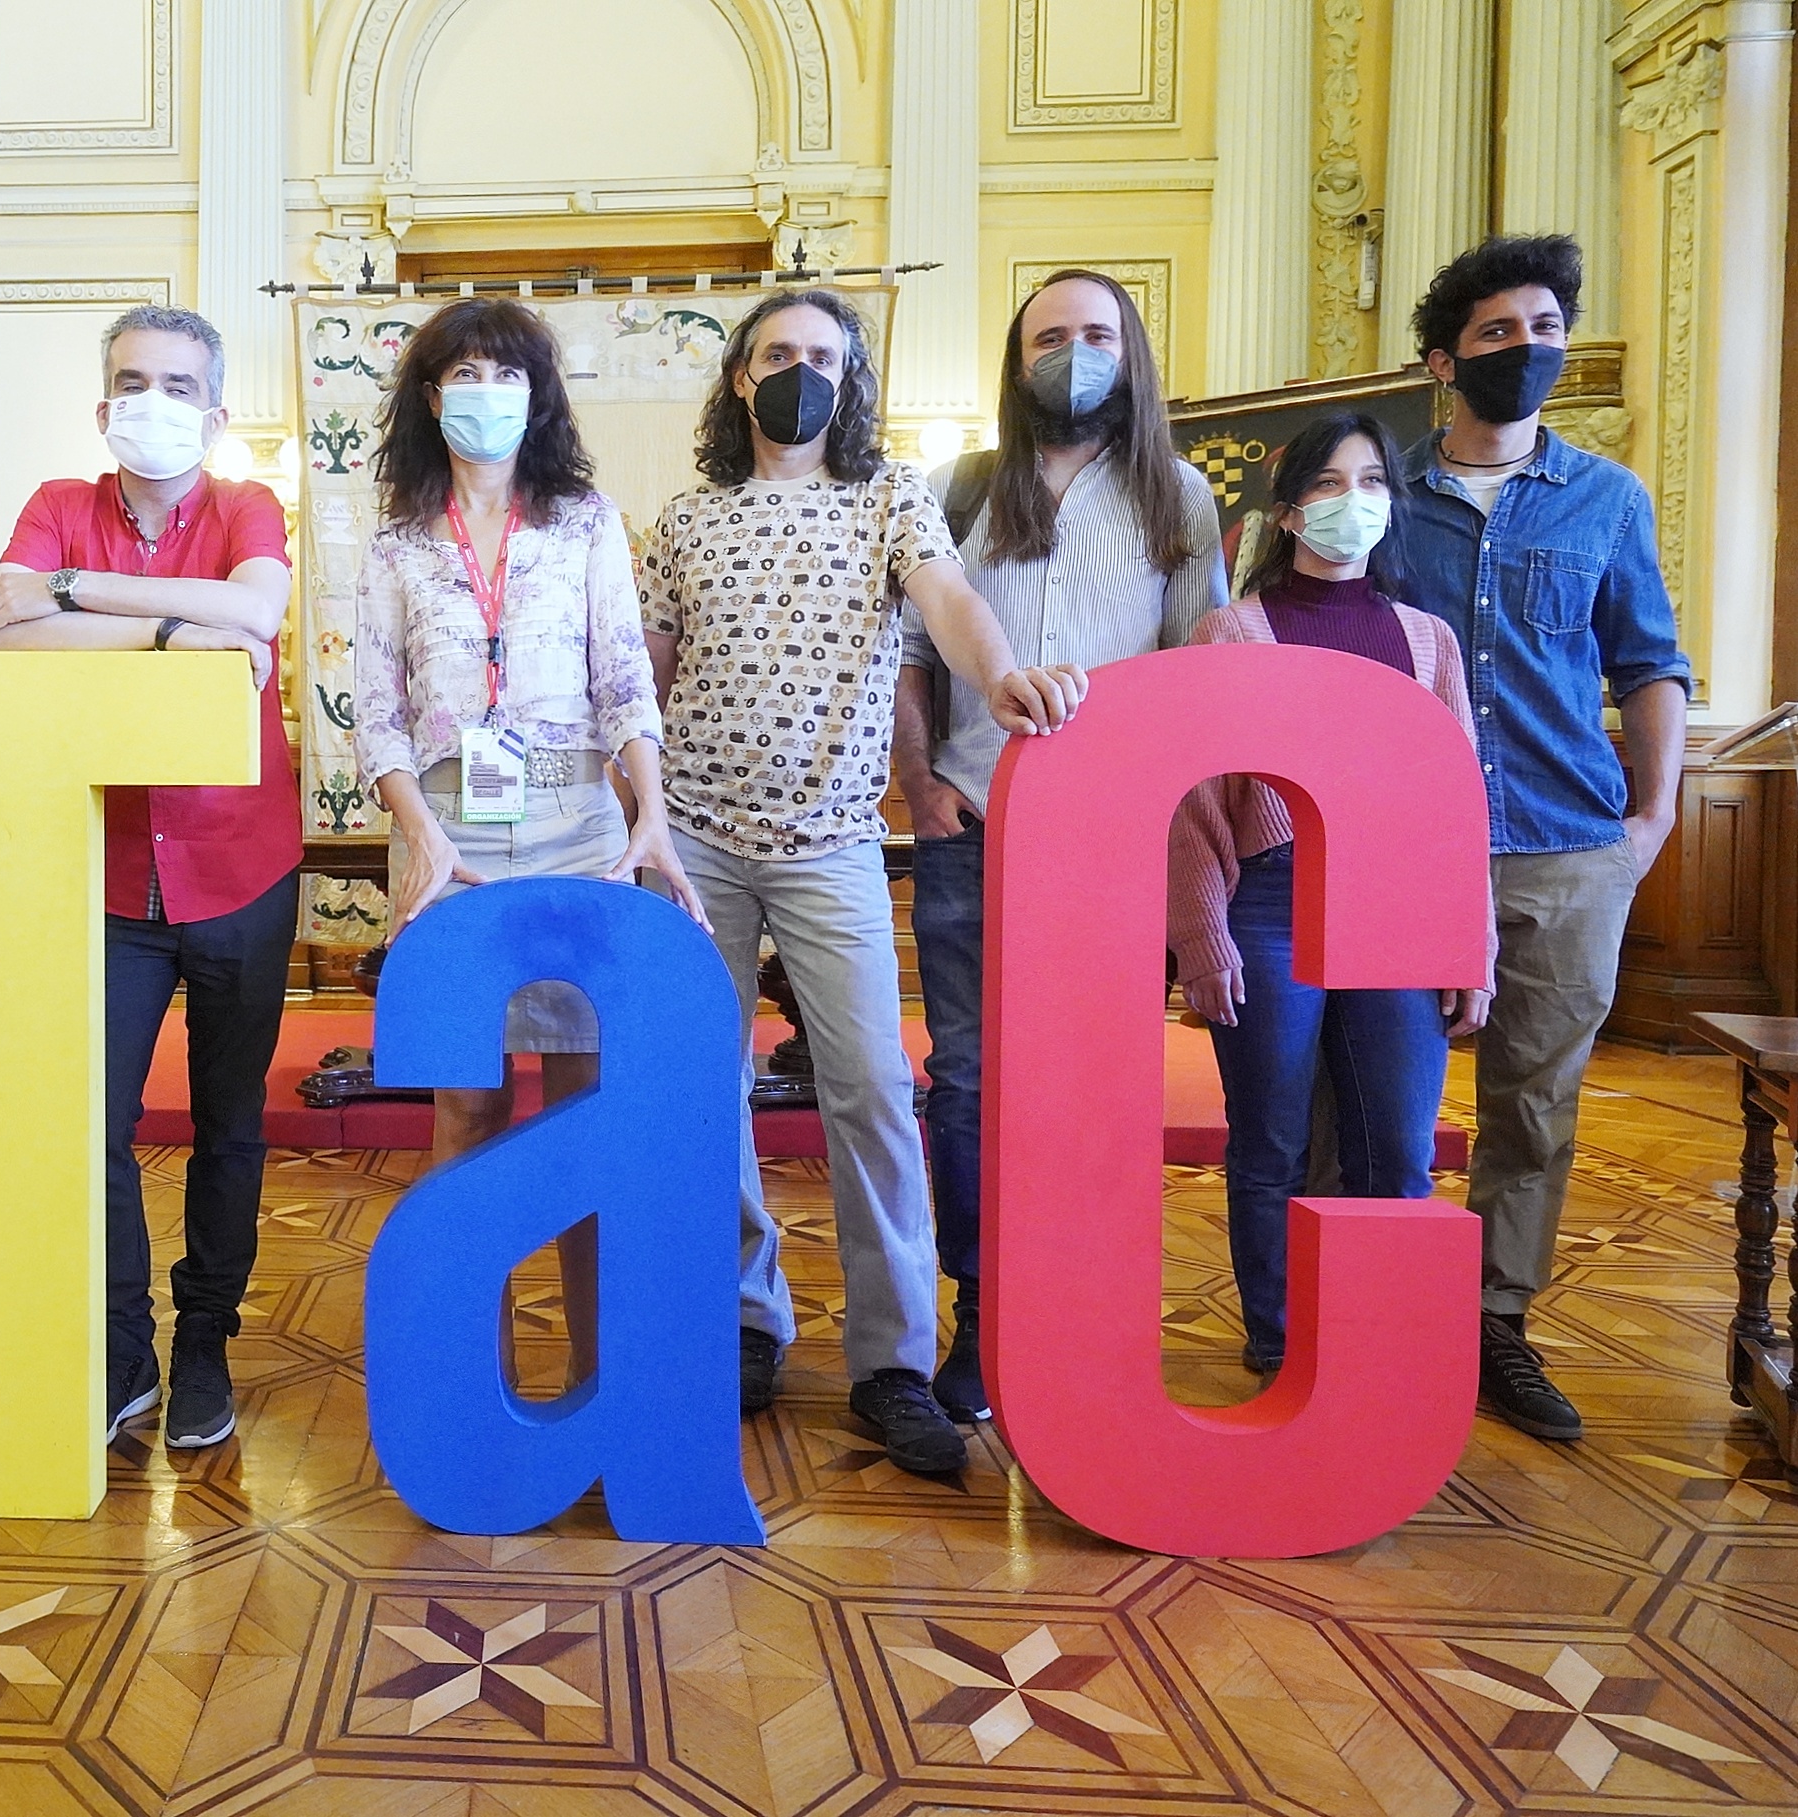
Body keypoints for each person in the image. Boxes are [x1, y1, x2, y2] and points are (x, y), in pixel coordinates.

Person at [640, 288, 1085, 1478]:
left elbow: (950, 602)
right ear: (742, 377)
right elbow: (650, 675)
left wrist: (999, 675)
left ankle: (891, 1358)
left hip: (832, 844)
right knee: (701, 1089)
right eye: (777, 353)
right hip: (695, 841)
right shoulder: (685, 518)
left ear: (849, 380)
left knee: (874, 1094)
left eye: (822, 357)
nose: (800, 371)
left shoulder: (889, 496)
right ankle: (743, 1317)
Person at [890, 269, 1226, 1425]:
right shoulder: (960, 486)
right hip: (973, 823)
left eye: (1094, 335)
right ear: (1016, 356)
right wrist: (919, 783)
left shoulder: (1178, 496)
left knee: (1096, 1079)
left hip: (1110, 845)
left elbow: (1192, 672)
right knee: (968, 1078)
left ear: (1128, 355)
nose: (1071, 355)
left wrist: (1172, 835)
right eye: (1049, 337)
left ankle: (1081, 1305)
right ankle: (981, 1312)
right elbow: (911, 655)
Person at [354, 297, 707, 1391]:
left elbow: (623, 677)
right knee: (467, 1106)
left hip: (577, 830)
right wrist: (418, 833)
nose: (486, 393)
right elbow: (376, 710)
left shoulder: (586, 520)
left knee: (584, 1106)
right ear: (430, 398)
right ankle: (476, 1384)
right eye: (463, 373)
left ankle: (601, 1380)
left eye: (506, 373)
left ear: (537, 394)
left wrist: (650, 814)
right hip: (447, 832)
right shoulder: (397, 542)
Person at [0, 305, 293, 1452]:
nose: (154, 401)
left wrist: (72, 593)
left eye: (179, 384)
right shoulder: (61, 500)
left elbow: (255, 610)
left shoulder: (246, 506)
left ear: (215, 410)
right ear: (104, 405)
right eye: (133, 382)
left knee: (229, 1122)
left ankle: (205, 1339)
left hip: (240, 861)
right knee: (91, 1122)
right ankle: (122, 1347)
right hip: (103, 873)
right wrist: (165, 635)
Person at [1395, 235, 1692, 1442]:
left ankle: (1494, 1324)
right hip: (1404, 851)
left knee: (1534, 1102)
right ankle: (1371, 1308)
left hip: (1565, 841)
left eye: (1544, 329)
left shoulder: (1607, 499)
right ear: (1443, 361)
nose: (1527, 348)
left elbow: (1648, 662)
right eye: (1498, 332)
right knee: (1376, 1092)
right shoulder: (1382, 499)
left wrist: (1654, 816)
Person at [1168, 413, 1494, 1376]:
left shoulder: (1426, 639)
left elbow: (1455, 801)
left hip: (1393, 909)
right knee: (1267, 1140)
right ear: (1286, 511)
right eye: (1327, 484)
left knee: (1395, 1144)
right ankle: (1277, 1341)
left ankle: (1375, 1343)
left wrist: (1468, 943)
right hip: (1269, 901)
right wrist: (1202, 934)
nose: (1353, 501)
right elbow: (1196, 798)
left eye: (1371, 482)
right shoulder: (1231, 629)